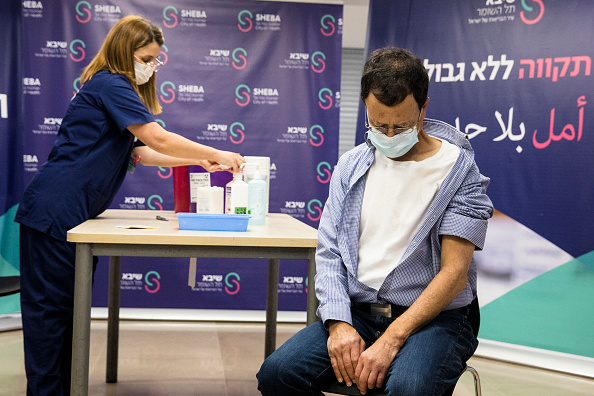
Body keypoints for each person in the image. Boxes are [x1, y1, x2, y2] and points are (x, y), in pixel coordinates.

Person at [15, 15, 245, 396]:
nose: (151, 66)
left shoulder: (111, 89)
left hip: (69, 217)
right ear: (125, 52)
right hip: (53, 214)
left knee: (68, 320)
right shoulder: (112, 83)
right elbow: (158, 138)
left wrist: (198, 160)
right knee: (50, 323)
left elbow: (142, 153)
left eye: (156, 59)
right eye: (146, 57)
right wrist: (214, 151)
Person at [257, 47, 493, 396]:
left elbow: (454, 275)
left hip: (434, 319)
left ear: (424, 107)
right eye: (378, 125)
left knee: (409, 389)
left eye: (401, 125)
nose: (390, 135)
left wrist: (393, 338)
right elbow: (330, 253)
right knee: (278, 374)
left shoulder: (460, 173)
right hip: (360, 313)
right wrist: (338, 324)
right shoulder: (352, 166)